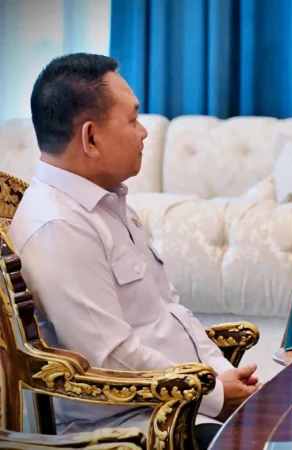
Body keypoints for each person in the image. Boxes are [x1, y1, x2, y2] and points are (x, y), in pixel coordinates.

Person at [8, 53, 259, 449]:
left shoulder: (107, 205)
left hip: (185, 403)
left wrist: (222, 376)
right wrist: (213, 392)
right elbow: (110, 356)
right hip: (134, 426)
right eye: (132, 120)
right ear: (91, 138)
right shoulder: (58, 225)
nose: (144, 133)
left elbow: (171, 313)